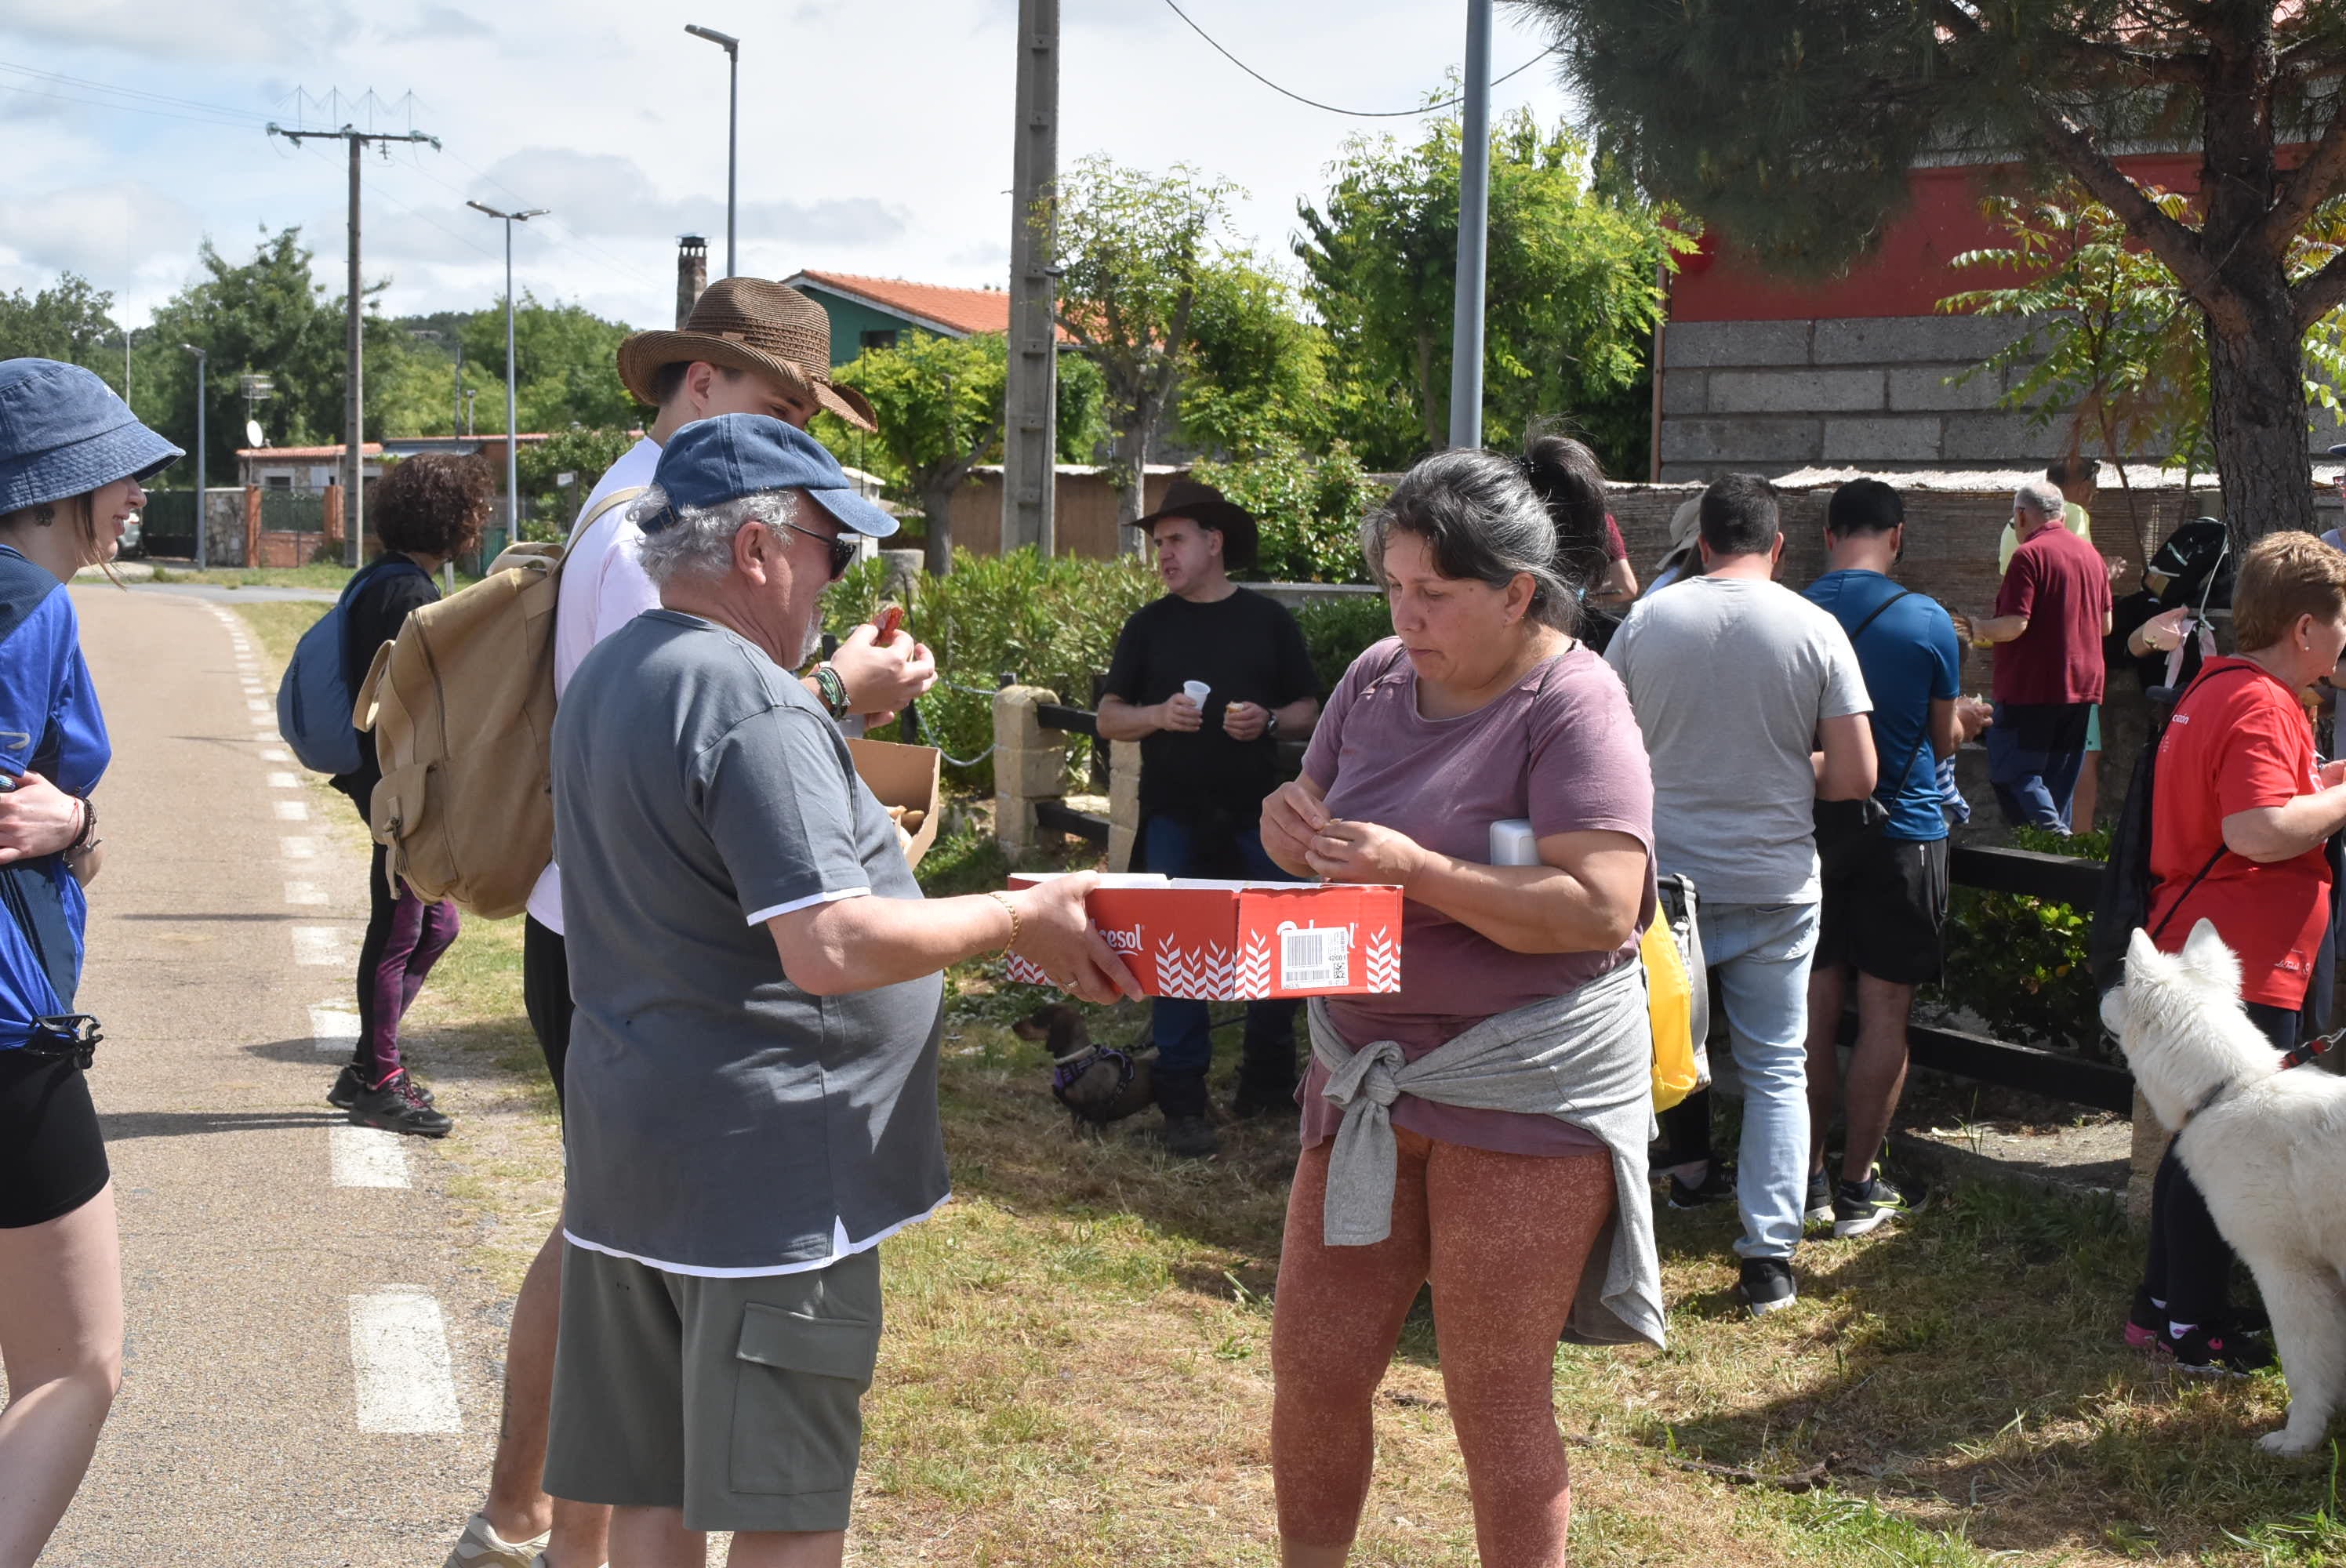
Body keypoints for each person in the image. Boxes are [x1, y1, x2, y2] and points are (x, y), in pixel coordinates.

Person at [542, 412, 1136, 1567]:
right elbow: (831, 945)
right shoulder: (754, 703)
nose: (834, 578)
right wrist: (1020, 914)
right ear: (760, 551)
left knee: (654, 1492)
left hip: (635, 1152)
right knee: (786, 1506)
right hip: (764, 1177)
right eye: (833, 547)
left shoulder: (621, 671)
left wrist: (825, 706)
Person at [450, 278, 935, 1568]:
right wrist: (839, 693)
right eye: (783, 407)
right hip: (719, 1065)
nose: (805, 444)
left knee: (633, 1306)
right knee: (738, 1432)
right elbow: (715, 726)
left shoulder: (635, 519)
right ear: (705, 382)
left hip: (651, 987)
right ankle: (529, 1524)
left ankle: (550, 1532)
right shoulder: (646, 543)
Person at [1258, 448, 1663, 1567]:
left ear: (1518, 592)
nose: (1406, 614)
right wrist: (1286, 832)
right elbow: (1321, 824)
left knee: (1493, 1395)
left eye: (1434, 593)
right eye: (1394, 585)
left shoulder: (1576, 700)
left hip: (1522, 1088)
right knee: (1315, 1369)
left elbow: (1599, 907)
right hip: (1367, 1077)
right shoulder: (1377, 678)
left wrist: (1416, 873)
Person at [1605, 472, 1876, 1315]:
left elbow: (1600, 747)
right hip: (1774, 879)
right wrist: (1782, 768)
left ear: (1700, 542)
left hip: (1664, 882)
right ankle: (1768, 1257)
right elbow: (1858, 773)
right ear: (1779, 544)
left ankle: (1619, 1235)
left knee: (1636, 1058)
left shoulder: (1647, 619)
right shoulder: (1814, 625)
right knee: (1776, 1067)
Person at [0, 358, 178, 1568]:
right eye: (118, 475)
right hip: (11, 1039)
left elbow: (51, 818)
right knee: (75, 1363)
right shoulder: (30, 607)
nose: (132, 498)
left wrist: (74, 827)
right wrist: (70, 829)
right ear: (59, 488)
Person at [2128, 531, 2346, 1374]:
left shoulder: (2214, 689)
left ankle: (2159, 1308)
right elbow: (2253, 829)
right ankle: (2196, 1324)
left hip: (2206, 944)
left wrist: (2318, 785)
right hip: (2245, 952)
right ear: (2303, 628)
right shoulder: (2262, 701)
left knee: (2197, 1141)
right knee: (2229, 1149)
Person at [1097, 480, 1319, 1157]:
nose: (1162, 554)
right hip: (1174, 816)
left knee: (1281, 948)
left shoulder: (1268, 622)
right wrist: (1158, 715)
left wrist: (1271, 720)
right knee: (1174, 958)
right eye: (1157, 542)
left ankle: (1267, 1080)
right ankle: (1184, 1102)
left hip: (1257, 818)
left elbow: (1312, 707)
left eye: (1175, 540)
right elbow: (1109, 718)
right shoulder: (1148, 627)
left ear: (1213, 543)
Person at [1799, 480, 1961, 1237]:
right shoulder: (1927, 620)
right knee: (1885, 1013)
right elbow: (1943, 740)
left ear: (1828, 534)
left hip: (1811, 832)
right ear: (1897, 538)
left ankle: (1803, 1180)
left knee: (1811, 1008)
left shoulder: (1792, 612)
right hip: (1905, 830)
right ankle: (1860, 1186)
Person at [318, 454, 485, 1139]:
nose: (481, 521)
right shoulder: (407, 595)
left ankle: (368, 1065)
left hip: (384, 779)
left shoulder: (381, 579)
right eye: (475, 510)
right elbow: (414, 703)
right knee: (400, 926)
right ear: (448, 517)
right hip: (399, 786)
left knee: (434, 924)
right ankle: (380, 1080)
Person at [1954, 478, 2113, 833]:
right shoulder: (2092, 557)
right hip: (2084, 689)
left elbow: (2015, 625)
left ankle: (2053, 835)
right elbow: (2105, 625)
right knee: (2058, 785)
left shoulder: (2028, 555)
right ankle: (2055, 865)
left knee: (2013, 771)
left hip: (2034, 685)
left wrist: (1973, 627)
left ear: (2022, 515)